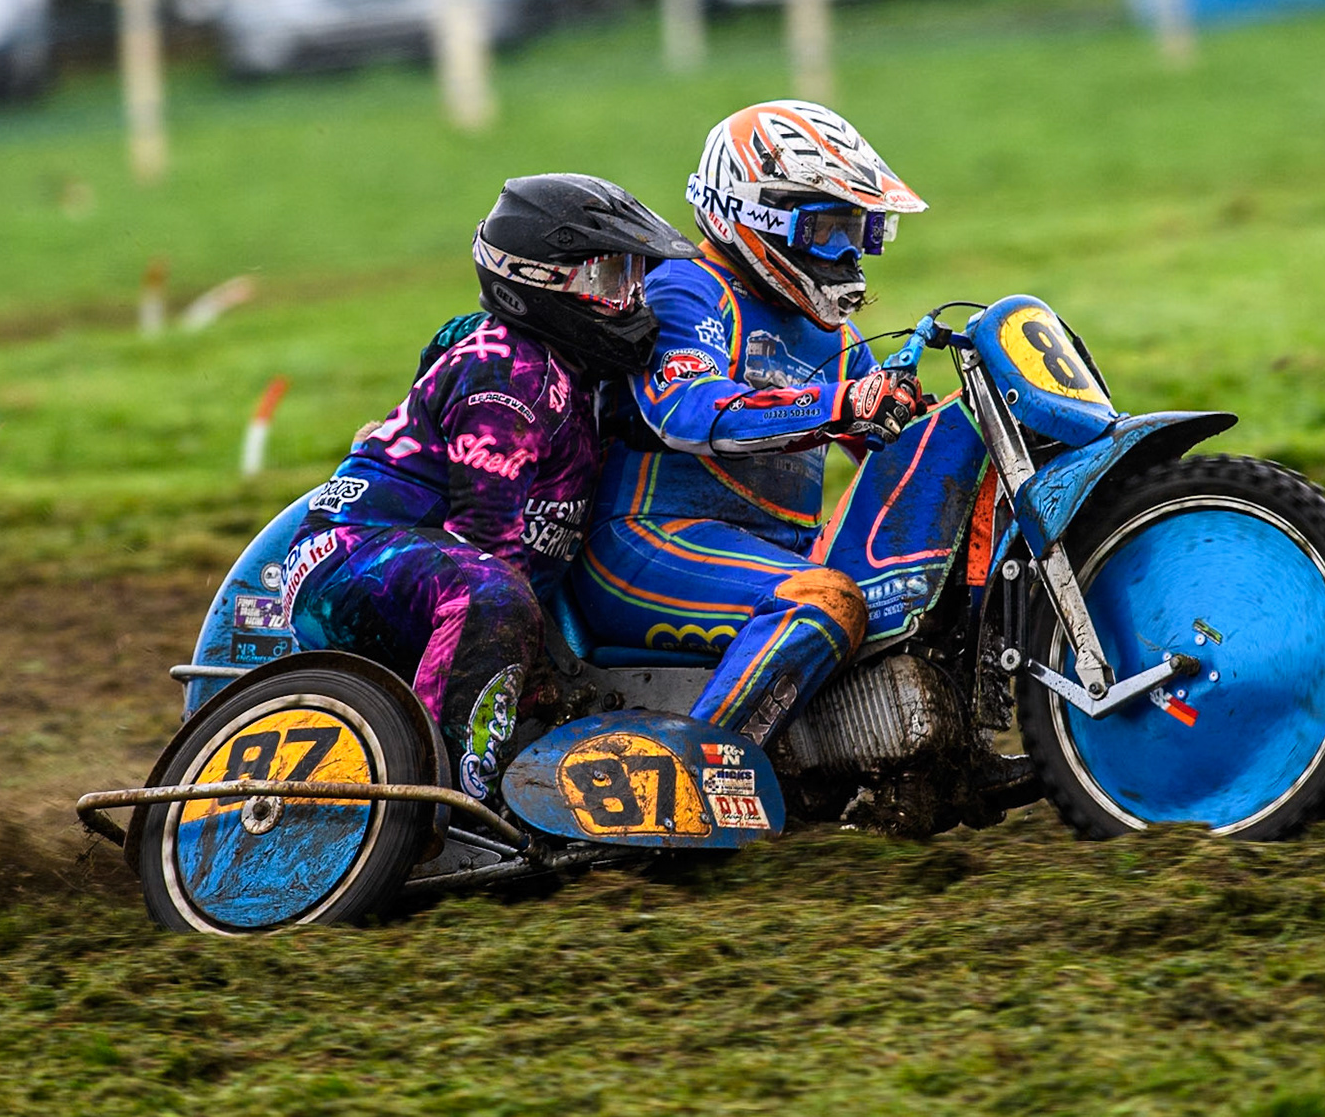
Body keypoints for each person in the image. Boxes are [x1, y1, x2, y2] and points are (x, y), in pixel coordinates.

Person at [281, 173, 700, 799]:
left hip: (439, 571)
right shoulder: (509, 369)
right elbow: (485, 534)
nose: (630, 301)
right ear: (541, 280)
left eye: (634, 279)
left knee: (530, 630)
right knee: (498, 597)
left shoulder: (575, 376)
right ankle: (440, 796)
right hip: (357, 556)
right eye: (612, 280)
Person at [570, 101, 929, 745]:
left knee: (912, 588)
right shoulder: (685, 286)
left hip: (778, 550)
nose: (848, 252)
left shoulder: (833, 331)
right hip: (646, 545)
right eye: (828, 231)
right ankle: (696, 775)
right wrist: (842, 404)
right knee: (824, 602)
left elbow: (894, 446)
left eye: (862, 230)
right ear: (754, 215)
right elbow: (688, 411)